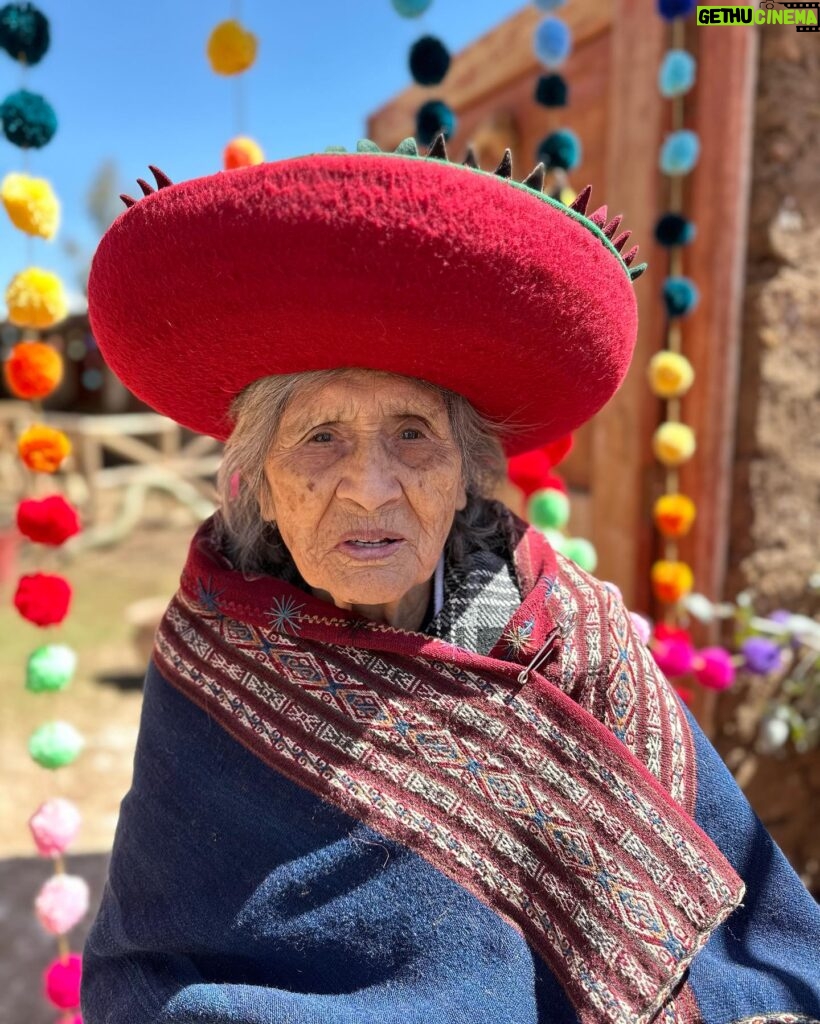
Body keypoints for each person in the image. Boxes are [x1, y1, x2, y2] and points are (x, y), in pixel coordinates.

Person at [80, 136, 820, 1024]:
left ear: (466, 472)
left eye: (412, 435)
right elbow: (150, 969)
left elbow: (749, 942)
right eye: (320, 438)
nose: (371, 486)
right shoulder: (212, 651)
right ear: (261, 483)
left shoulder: (571, 637)